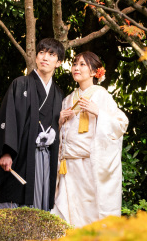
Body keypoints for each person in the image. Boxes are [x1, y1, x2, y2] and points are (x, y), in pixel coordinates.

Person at [53, 51, 128, 227]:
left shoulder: (102, 96)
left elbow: (121, 124)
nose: (76, 68)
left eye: (82, 65)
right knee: (67, 213)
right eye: (74, 64)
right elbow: (63, 134)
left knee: (91, 212)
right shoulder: (68, 100)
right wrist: (60, 120)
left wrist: (98, 112)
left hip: (90, 165)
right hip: (68, 167)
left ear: (94, 72)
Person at [0, 38, 65, 211]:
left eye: (51, 54)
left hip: (47, 157)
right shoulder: (20, 84)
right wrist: (6, 152)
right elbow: (7, 118)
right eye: (41, 53)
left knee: (42, 200)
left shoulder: (58, 94)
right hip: (21, 155)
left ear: (59, 63)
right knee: (15, 201)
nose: (45, 57)